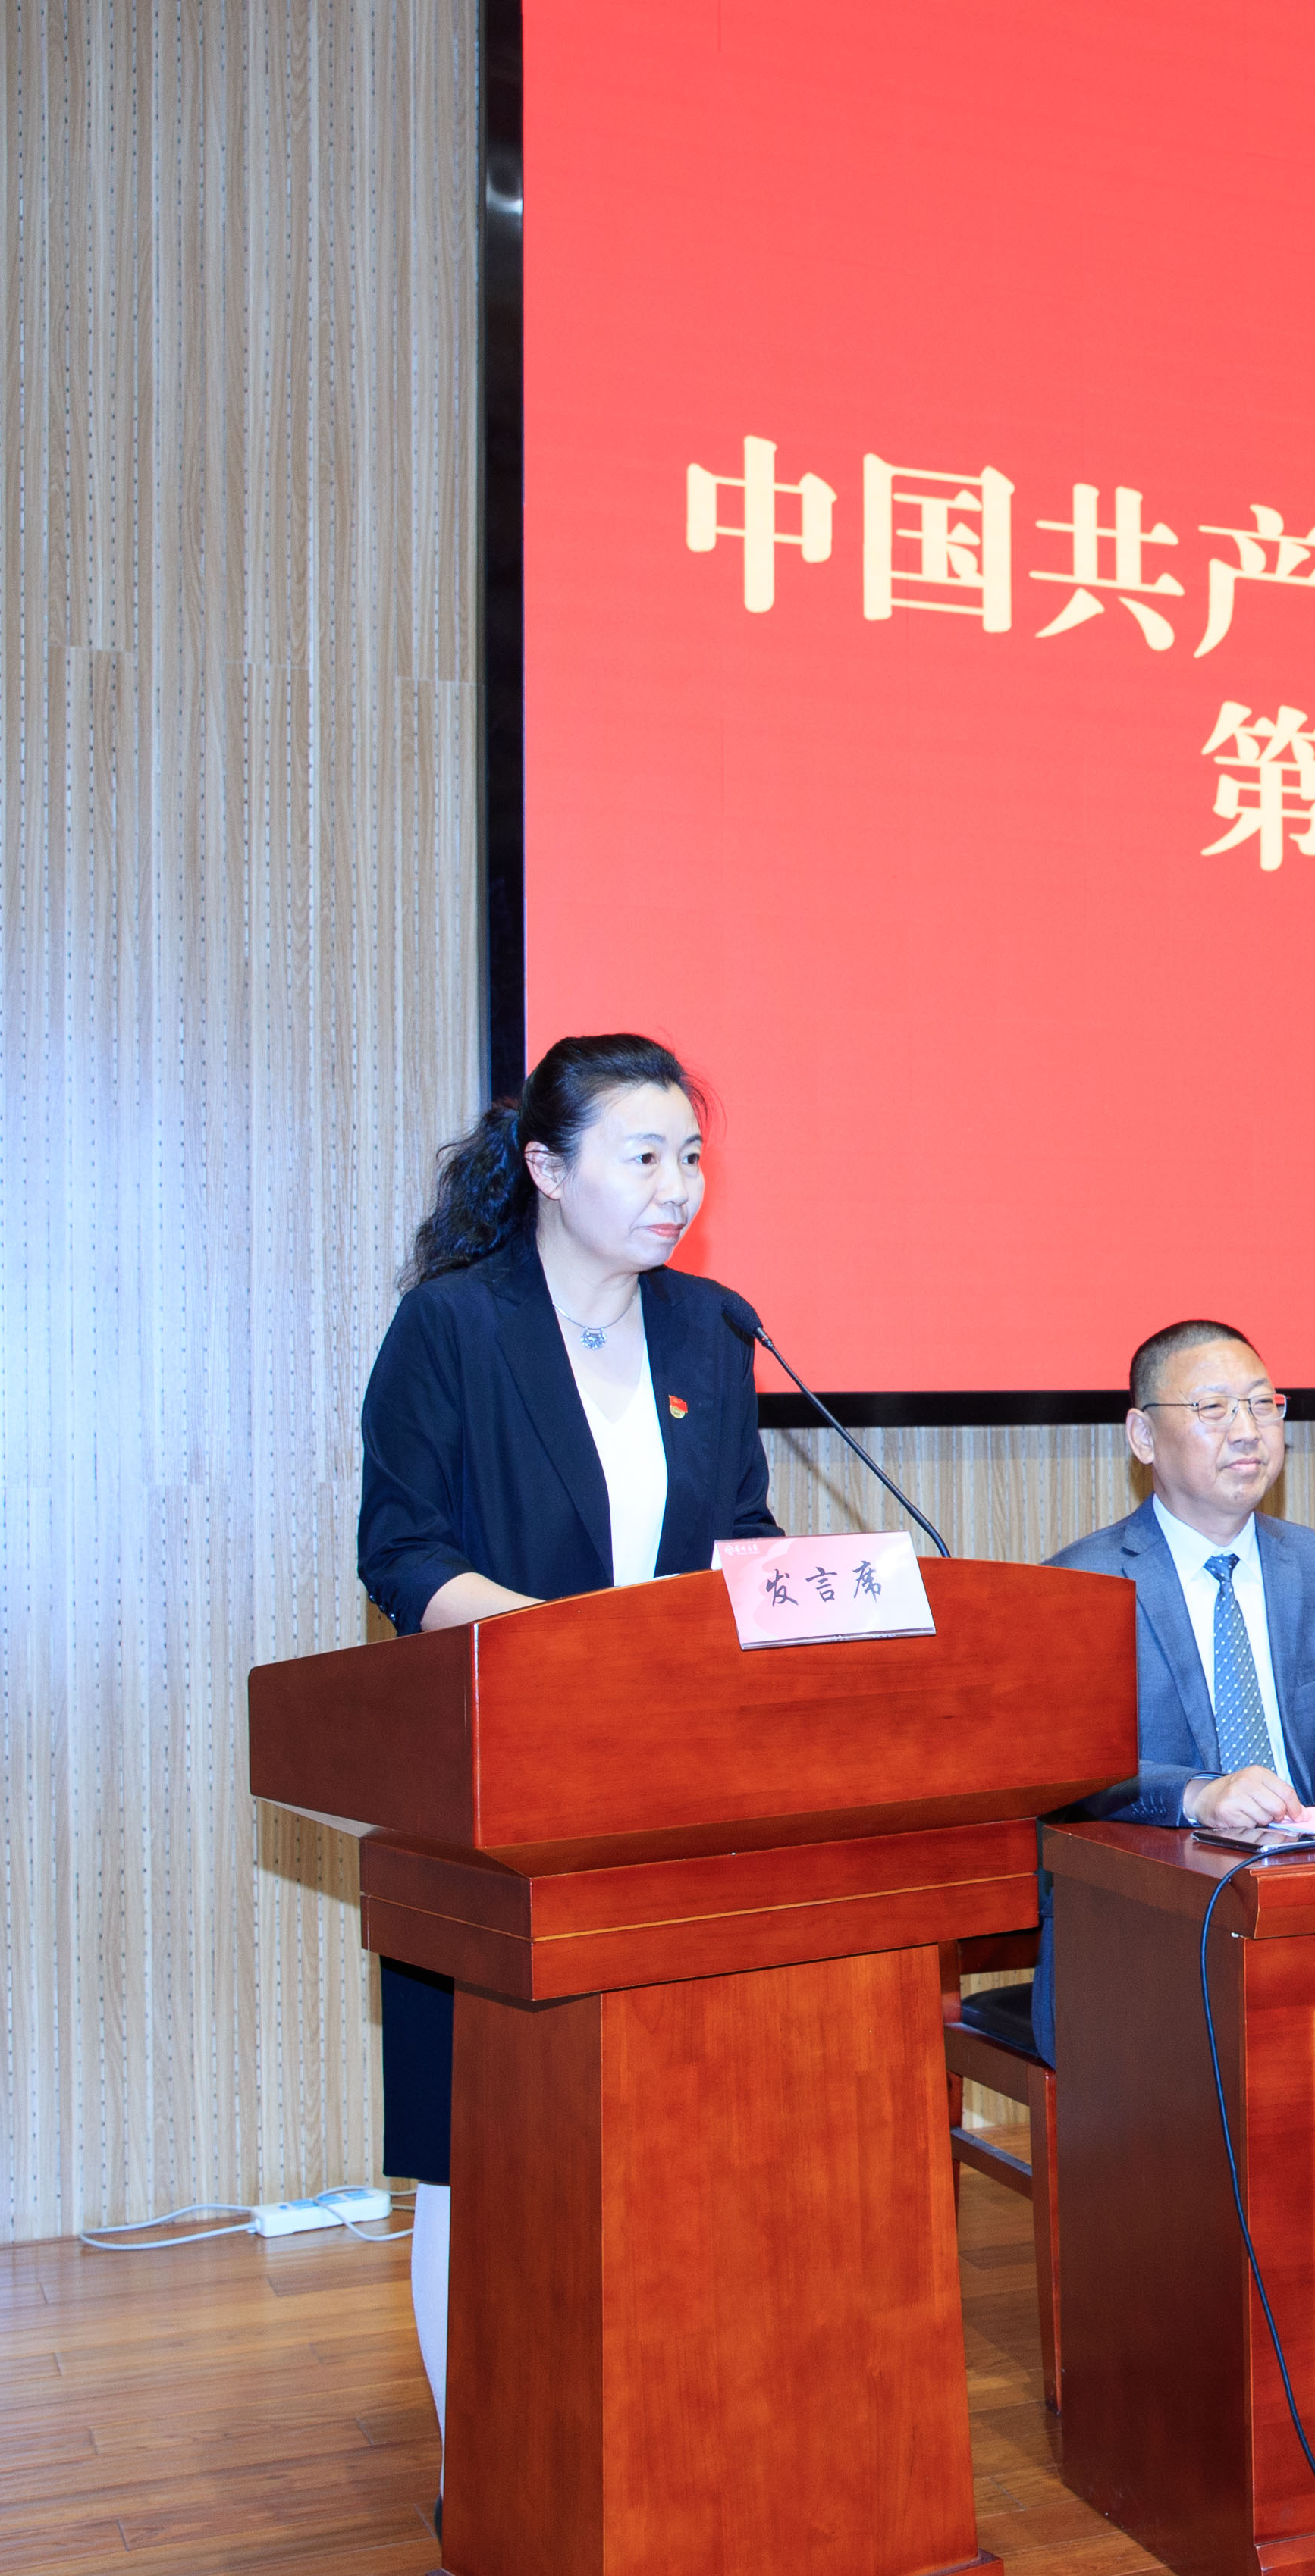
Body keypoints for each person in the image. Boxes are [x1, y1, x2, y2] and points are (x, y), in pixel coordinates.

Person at [353, 1032, 780, 2493]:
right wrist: (567, 1652)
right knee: (486, 2142)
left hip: (673, 1790)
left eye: (692, 1156)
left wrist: (817, 1598)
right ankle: (488, 2469)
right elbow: (404, 1552)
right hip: (495, 1783)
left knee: (664, 2126)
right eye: (643, 1155)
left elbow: (736, 1542)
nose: (678, 1186)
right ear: (545, 1167)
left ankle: (662, 2443)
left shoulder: (710, 1330)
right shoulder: (454, 1327)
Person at [1021, 1320, 1315, 2059]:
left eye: (1262, 1404)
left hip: (1309, 1914)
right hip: (1142, 1934)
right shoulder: (1078, 1587)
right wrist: (1197, 1795)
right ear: (1143, 1436)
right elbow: (1067, 1777)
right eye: (1214, 1408)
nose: (1248, 1430)